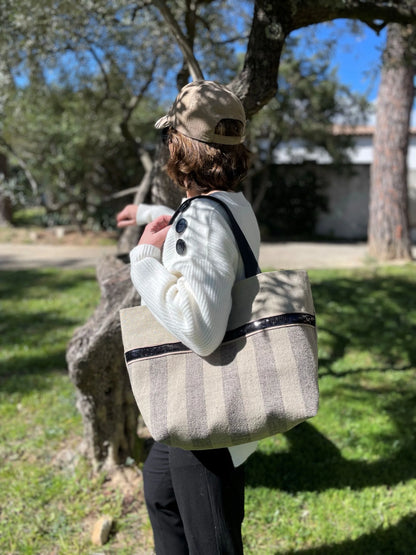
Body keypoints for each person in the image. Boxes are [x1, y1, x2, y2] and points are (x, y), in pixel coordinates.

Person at [117, 80, 261, 555]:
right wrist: (148, 213)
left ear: (180, 148)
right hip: (207, 397)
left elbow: (199, 330)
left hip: (204, 405)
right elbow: (197, 226)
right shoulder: (233, 205)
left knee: (212, 541)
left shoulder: (201, 217)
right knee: (162, 495)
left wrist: (143, 260)